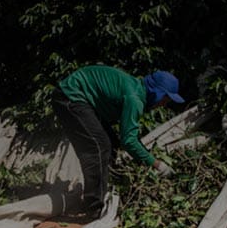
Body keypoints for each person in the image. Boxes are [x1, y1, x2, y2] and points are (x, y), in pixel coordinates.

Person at [52, 64, 184, 216]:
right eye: (165, 100)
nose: (163, 105)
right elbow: (129, 141)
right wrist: (157, 165)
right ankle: (93, 208)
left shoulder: (136, 90)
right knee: (99, 147)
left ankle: (108, 189)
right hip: (71, 96)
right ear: (157, 93)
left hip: (82, 100)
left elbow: (126, 138)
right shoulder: (134, 98)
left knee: (111, 143)